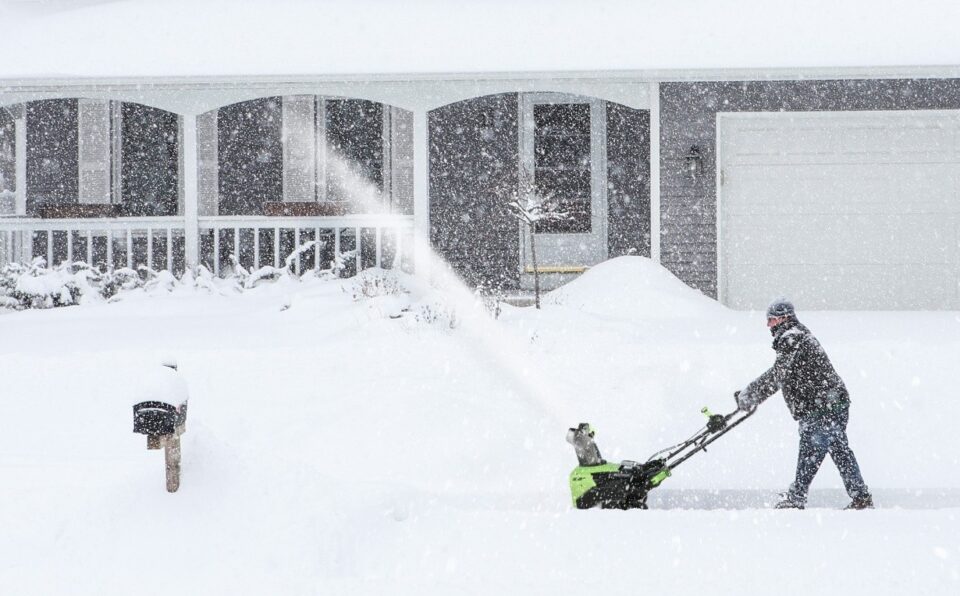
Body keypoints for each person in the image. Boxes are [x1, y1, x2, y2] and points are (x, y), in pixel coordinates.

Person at [737, 299, 873, 510]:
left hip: (823, 407)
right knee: (839, 450)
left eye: (771, 320)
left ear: (783, 318)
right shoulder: (796, 336)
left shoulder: (793, 338)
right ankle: (861, 497)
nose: (768, 326)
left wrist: (750, 395)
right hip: (831, 403)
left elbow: (777, 376)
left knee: (811, 449)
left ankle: (797, 496)